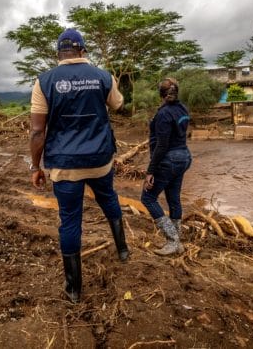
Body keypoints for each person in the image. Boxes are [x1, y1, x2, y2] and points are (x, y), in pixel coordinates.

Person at [30, 28, 128, 303]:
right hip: (99, 160)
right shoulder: (102, 76)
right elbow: (118, 105)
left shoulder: (44, 81)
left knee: (70, 220)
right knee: (108, 199)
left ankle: (73, 289)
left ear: (58, 53)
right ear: (83, 51)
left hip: (64, 164)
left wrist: (34, 167)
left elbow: (37, 132)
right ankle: (122, 250)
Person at [140, 77, 192, 256]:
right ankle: (178, 243)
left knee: (148, 198)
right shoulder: (182, 108)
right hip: (184, 156)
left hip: (169, 160)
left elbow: (162, 145)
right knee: (173, 197)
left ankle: (172, 240)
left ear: (161, 94)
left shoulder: (163, 114)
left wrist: (150, 171)